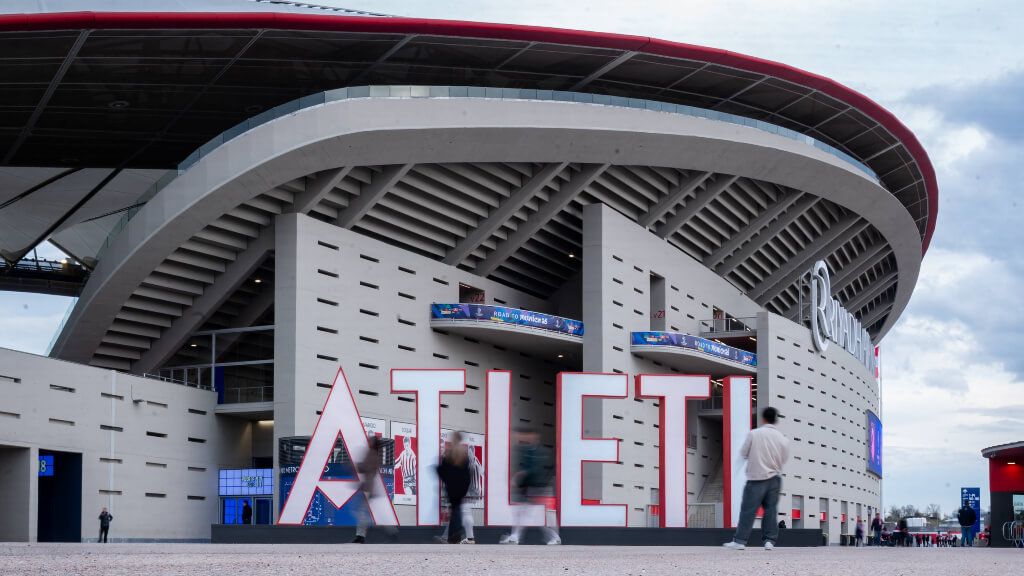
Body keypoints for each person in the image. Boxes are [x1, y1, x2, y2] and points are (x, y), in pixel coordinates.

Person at [723, 407, 790, 551]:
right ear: (775, 420)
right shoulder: (782, 439)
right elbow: (784, 459)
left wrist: (735, 471)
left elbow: (743, 454)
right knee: (770, 510)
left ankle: (740, 541)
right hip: (775, 478)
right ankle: (769, 541)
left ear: (763, 419)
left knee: (748, 510)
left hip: (756, 478)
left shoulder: (754, 434)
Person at [500, 427, 560, 545]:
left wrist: (522, 475)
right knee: (523, 512)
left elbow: (540, 469)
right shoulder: (527, 451)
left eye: (527, 435)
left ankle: (555, 537)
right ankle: (515, 536)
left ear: (534, 436)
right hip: (531, 488)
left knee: (543, 514)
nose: (523, 437)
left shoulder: (542, 452)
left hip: (542, 487)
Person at [353, 436, 398, 544]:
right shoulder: (376, 455)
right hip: (372, 488)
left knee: (362, 512)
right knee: (370, 512)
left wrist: (357, 465)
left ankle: (361, 536)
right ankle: (391, 531)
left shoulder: (371, 454)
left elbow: (365, 468)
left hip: (370, 488)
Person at [436, 431, 474, 544]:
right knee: (456, 509)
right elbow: (467, 473)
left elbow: (442, 470)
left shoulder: (449, 453)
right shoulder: (463, 454)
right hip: (461, 486)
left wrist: (445, 480)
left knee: (456, 510)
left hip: (451, 485)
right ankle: (452, 535)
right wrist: (466, 487)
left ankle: (455, 534)